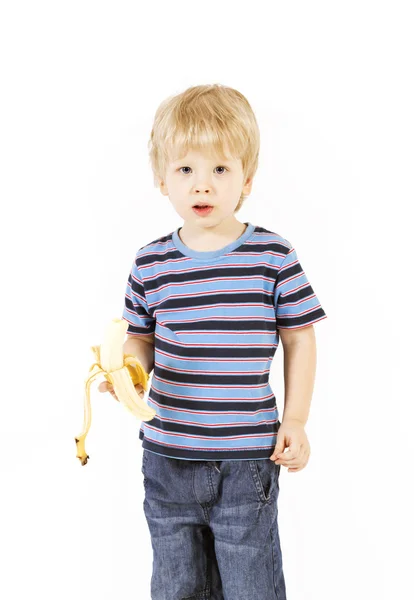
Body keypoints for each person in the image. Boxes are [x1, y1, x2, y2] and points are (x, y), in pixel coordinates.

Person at [99, 83, 327, 600]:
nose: (202, 187)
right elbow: (139, 341)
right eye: (186, 170)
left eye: (219, 170)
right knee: (177, 586)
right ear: (161, 178)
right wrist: (127, 374)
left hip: (246, 458)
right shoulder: (150, 262)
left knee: (252, 586)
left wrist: (295, 420)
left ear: (247, 178)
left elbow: (300, 337)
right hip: (167, 455)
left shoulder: (273, 255)